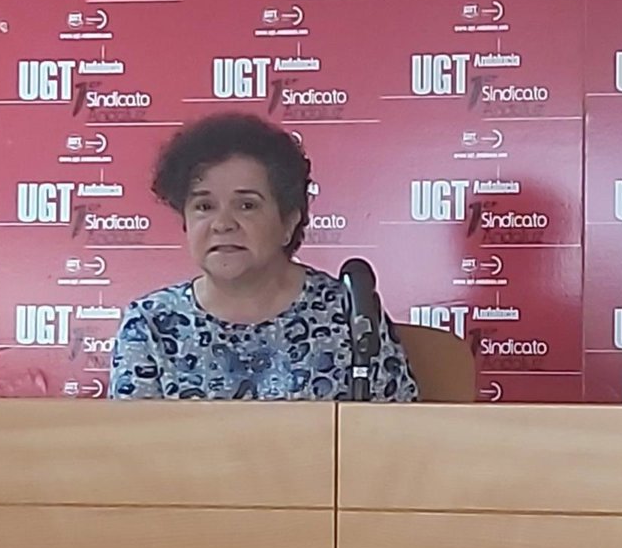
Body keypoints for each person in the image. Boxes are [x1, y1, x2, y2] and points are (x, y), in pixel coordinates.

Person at [109, 112, 419, 401]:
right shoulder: (151, 324)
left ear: (288, 222)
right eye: (204, 206)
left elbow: (394, 432)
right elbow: (129, 440)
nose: (222, 224)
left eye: (247, 206)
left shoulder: (350, 316)